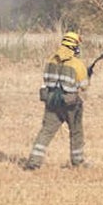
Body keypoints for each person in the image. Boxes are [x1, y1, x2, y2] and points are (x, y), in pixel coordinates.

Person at [24, 30, 90, 170]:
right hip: (71, 104)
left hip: (52, 102)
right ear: (74, 47)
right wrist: (87, 75)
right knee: (76, 132)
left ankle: (33, 162)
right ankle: (78, 162)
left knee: (46, 132)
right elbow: (83, 86)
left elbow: (47, 80)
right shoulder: (77, 64)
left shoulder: (51, 60)